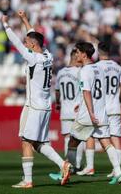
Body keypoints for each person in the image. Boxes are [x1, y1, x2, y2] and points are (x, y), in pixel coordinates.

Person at [1, 11, 71, 188]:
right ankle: (63, 164)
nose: (25, 43)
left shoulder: (33, 58)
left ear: (32, 45)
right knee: (40, 143)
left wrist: (6, 25)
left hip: (35, 106)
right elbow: (33, 36)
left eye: (28, 42)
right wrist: (25, 20)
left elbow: (16, 42)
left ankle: (28, 180)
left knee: (26, 141)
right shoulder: (48, 55)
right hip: (45, 105)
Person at [65, 42, 121, 184]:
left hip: (88, 114)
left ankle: (66, 171)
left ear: (84, 54)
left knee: (72, 141)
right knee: (106, 142)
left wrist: (90, 112)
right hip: (102, 112)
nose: (76, 55)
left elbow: (87, 92)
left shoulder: (84, 71)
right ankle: (119, 172)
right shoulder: (99, 69)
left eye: (78, 52)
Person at [49, 49, 84, 180]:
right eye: (79, 56)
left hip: (65, 110)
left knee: (67, 138)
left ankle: (68, 165)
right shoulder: (79, 72)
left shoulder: (61, 72)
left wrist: (58, 103)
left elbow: (57, 91)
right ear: (75, 57)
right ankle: (77, 165)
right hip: (77, 109)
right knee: (78, 138)